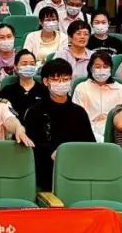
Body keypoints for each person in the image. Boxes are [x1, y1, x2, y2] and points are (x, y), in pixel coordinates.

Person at [22, 58, 95, 190]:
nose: (61, 83)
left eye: (65, 79)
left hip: (76, 170)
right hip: (45, 171)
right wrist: (51, 153)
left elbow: (89, 145)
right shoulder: (35, 112)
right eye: (56, 80)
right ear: (46, 81)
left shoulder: (79, 112)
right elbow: (31, 146)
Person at [71, 50, 122, 142]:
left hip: (114, 131)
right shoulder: (81, 88)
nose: (102, 70)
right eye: (97, 67)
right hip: (88, 131)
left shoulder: (119, 89)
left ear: (110, 69)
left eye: (105, 67)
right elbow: (77, 118)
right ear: (90, 68)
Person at [0, 50, 47, 117]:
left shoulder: (45, 90)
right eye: (24, 64)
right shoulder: (7, 90)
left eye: (32, 64)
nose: (28, 67)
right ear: (15, 66)